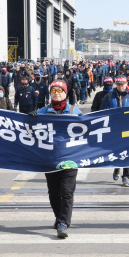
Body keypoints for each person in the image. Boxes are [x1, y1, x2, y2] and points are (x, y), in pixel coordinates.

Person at [37, 80, 82, 238]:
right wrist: (29, 119)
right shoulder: (43, 111)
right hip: (50, 159)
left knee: (67, 192)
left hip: (70, 159)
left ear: (66, 93)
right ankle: (58, 217)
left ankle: (63, 223)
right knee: (54, 193)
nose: (56, 93)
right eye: (53, 90)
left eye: (60, 90)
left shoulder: (74, 111)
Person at [101, 76, 129, 187]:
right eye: (118, 84)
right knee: (116, 151)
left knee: (127, 154)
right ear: (115, 85)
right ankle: (116, 167)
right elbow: (102, 111)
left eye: (122, 84)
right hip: (113, 130)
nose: (120, 86)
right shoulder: (108, 96)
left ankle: (126, 176)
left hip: (128, 129)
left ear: (126, 84)